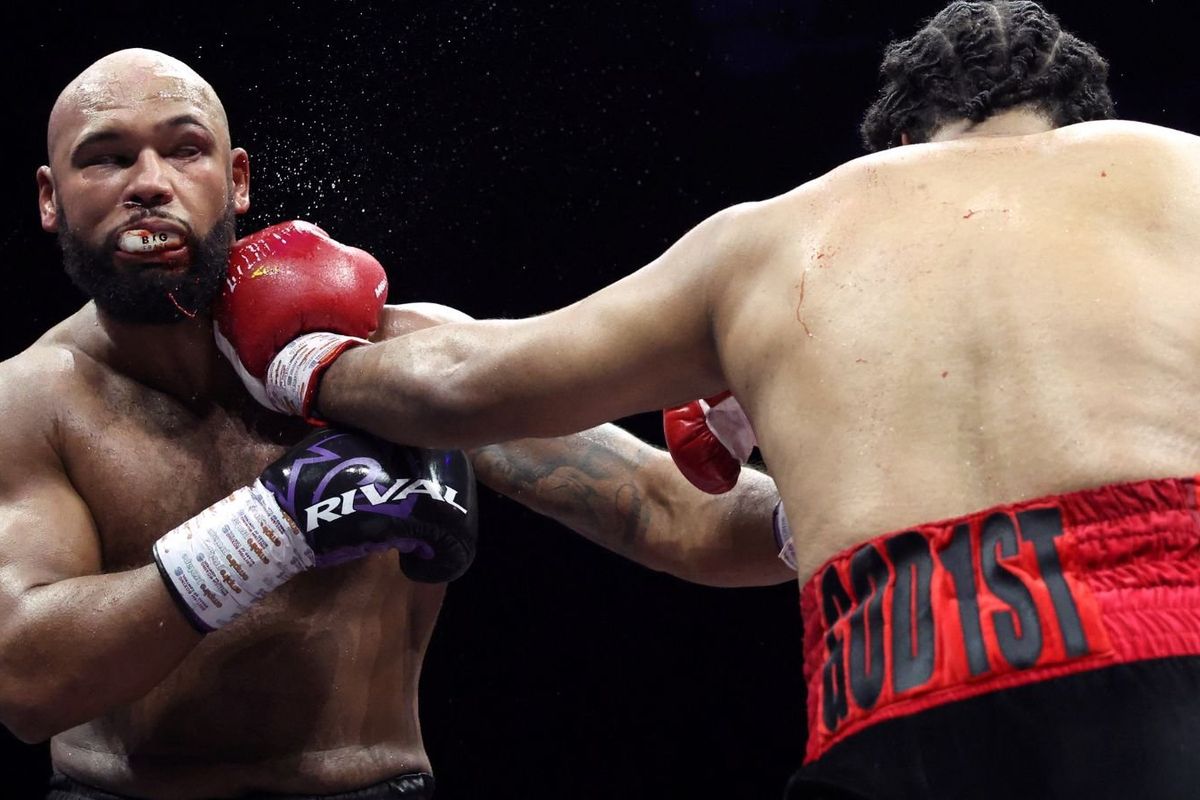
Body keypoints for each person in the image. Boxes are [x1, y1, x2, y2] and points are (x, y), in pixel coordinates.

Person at [222, 2, 1200, 798]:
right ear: (1084, 122)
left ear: (896, 144)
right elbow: (689, 520)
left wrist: (304, 355)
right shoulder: (1179, 173)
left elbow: (463, 384)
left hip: (891, 709)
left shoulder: (775, 239)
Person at [0, 48, 791, 800]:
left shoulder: (386, 362)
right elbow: (24, 682)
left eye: (185, 150)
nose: (149, 183)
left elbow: (661, 509)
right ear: (49, 197)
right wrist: (271, 528)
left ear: (236, 180)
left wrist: (834, 504)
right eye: (105, 157)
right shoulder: (30, 402)